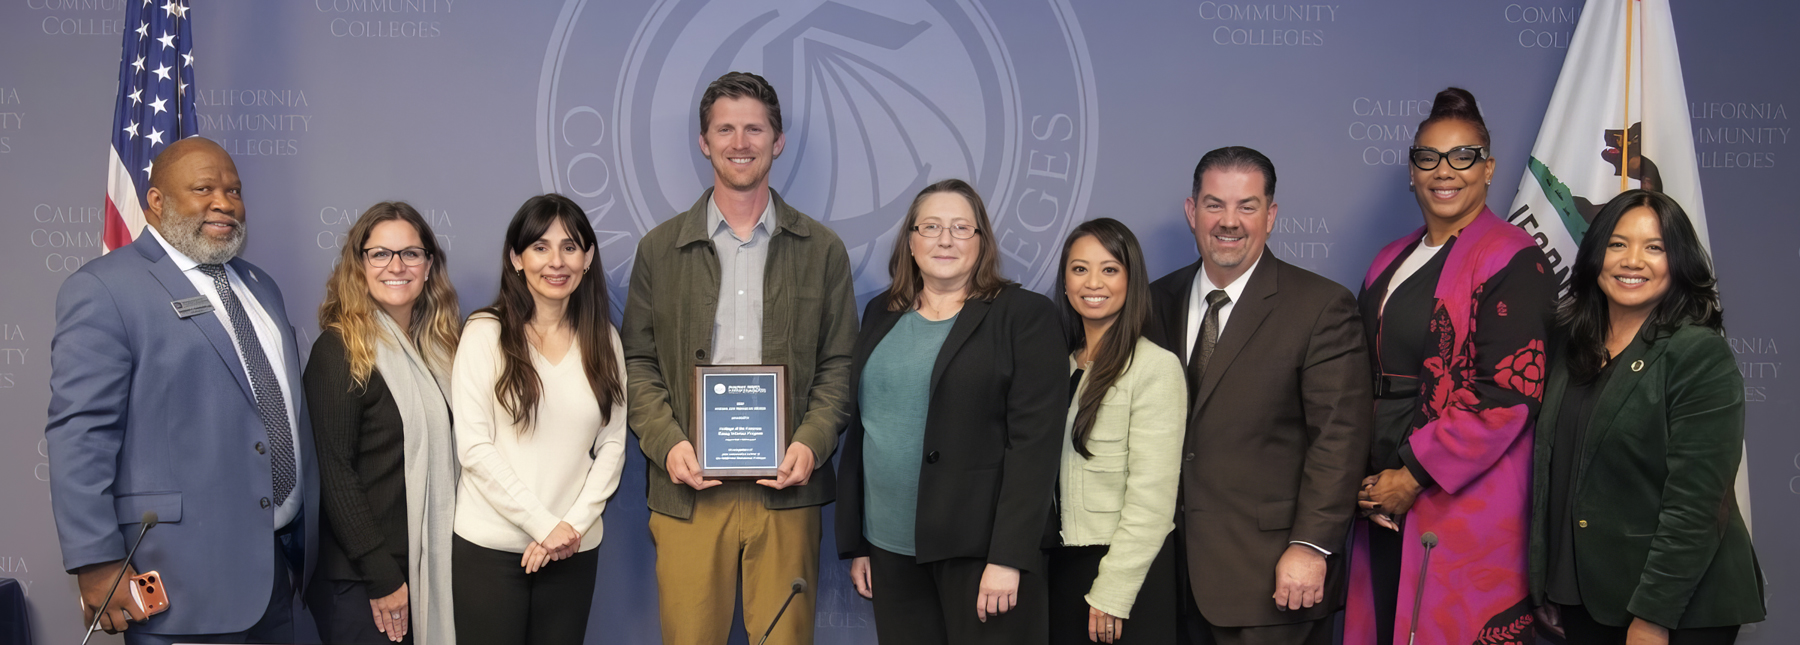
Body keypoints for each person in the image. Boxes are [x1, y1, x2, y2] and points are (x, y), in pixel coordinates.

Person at [47, 137, 318, 644]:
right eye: (203, 189)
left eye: (234, 190)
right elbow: (80, 432)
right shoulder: (105, 288)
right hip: (183, 581)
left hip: (282, 575)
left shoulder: (260, 285)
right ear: (155, 201)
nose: (224, 202)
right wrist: (96, 561)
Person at [622, 71, 858, 645]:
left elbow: (839, 367)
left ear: (778, 141)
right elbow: (637, 362)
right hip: (688, 492)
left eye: (755, 128)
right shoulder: (659, 248)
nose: (740, 142)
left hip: (788, 492)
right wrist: (669, 444)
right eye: (724, 129)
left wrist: (810, 442)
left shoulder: (822, 249)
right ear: (704, 142)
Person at [1345, 87, 1558, 645]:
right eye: (1429, 158)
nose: (1446, 171)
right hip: (1376, 487)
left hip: (1457, 491)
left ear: (1488, 168)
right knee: (1387, 623)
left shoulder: (1513, 257)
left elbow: (1508, 395)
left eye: (1464, 156)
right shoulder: (1387, 259)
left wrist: (1412, 476)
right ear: (1412, 171)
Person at [1147, 146, 1372, 645]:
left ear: (1270, 216)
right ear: (1191, 212)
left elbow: (1340, 438)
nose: (1230, 222)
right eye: (1214, 204)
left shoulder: (1320, 307)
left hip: (1272, 580)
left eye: (1247, 206)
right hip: (1166, 583)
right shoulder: (1153, 301)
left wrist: (1311, 547)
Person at [1528, 190, 1764, 644]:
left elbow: (1696, 505)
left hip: (1677, 608)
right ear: (1597, 254)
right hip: (1584, 597)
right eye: (1617, 244)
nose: (1632, 260)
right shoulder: (1568, 345)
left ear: (1678, 261)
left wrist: (1653, 617)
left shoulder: (1697, 354)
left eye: (1654, 247)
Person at [836, 178, 1065, 644]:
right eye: (932, 226)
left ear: (981, 242)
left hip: (982, 557)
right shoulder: (881, 312)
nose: (946, 239)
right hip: (891, 552)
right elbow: (866, 428)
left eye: (962, 228)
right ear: (911, 242)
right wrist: (860, 541)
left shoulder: (1024, 316)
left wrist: (1009, 557)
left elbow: (1035, 448)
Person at [450, 193, 628, 644]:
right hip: (491, 549)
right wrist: (543, 525)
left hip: (574, 548)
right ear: (516, 258)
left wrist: (569, 528)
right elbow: (474, 448)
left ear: (587, 258)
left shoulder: (604, 340)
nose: (557, 261)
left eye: (570, 246)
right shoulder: (484, 333)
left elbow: (612, 445)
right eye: (540, 247)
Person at [305, 202, 460, 644]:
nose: (397, 266)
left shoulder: (442, 352)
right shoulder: (338, 351)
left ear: (429, 265)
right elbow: (334, 475)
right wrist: (382, 577)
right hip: (365, 581)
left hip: (429, 568)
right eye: (381, 254)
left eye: (411, 253)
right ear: (359, 265)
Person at [1046, 218, 1186, 644]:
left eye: (1109, 269)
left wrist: (1113, 592)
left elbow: (1152, 500)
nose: (1094, 282)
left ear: (1131, 280)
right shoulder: (1060, 365)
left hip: (1123, 573)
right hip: (1060, 565)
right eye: (1079, 268)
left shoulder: (1155, 368)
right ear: (1066, 282)